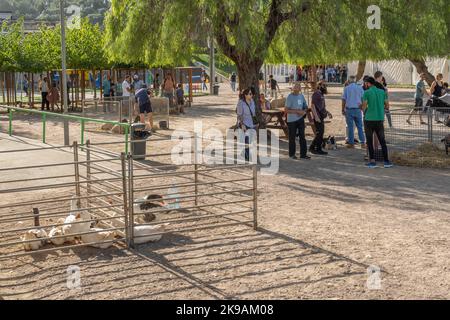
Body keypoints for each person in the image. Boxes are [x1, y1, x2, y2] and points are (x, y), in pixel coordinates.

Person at [361, 77, 393, 168]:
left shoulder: (366, 92)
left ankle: (372, 161)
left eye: (365, 83)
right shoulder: (382, 92)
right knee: (382, 141)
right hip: (379, 119)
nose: (364, 85)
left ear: (368, 83)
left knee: (370, 141)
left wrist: (364, 109)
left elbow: (364, 106)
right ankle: (386, 161)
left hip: (369, 119)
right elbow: (387, 106)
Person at [285, 83, 310, 160]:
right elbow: (286, 110)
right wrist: (297, 111)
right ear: (292, 88)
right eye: (295, 87)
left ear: (300, 89)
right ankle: (292, 154)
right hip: (291, 120)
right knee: (292, 137)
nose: (296, 88)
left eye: (298, 87)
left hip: (300, 119)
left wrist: (303, 111)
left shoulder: (301, 96)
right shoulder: (289, 97)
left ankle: (303, 154)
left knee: (302, 136)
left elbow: (305, 107)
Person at [342, 76, 366, 148]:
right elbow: (363, 99)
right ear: (355, 81)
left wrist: (342, 109)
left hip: (349, 109)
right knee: (360, 127)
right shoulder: (360, 88)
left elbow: (344, 100)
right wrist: (362, 108)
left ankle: (351, 143)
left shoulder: (346, 88)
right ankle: (362, 143)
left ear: (349, 81)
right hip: (358, 109)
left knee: (350, 127)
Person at [310, 81, 332, 155]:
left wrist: (328, 112)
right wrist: (316, 117)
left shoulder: (321, 94)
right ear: (320, 86)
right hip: (317, 117)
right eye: (324, 86)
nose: (325, 87)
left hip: (321, 116)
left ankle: (312, 147)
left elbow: (322, 107)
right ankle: (317, 148)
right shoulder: (316, 94)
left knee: (320, 133)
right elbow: (312, 106)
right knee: (320, 133)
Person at [236, 88, 258, 161]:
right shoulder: (241, 103)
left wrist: (255, 122)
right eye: (250, 94)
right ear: (245, 95)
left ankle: (245, 153)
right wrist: (242, 124)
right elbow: (239, 115)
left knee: (251, 140)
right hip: (245, 123)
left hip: (252, 123)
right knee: (246, 140)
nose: (251, 95)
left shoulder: (252, 101)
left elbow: (253, 113)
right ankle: (247, 155)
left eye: (252, 94)